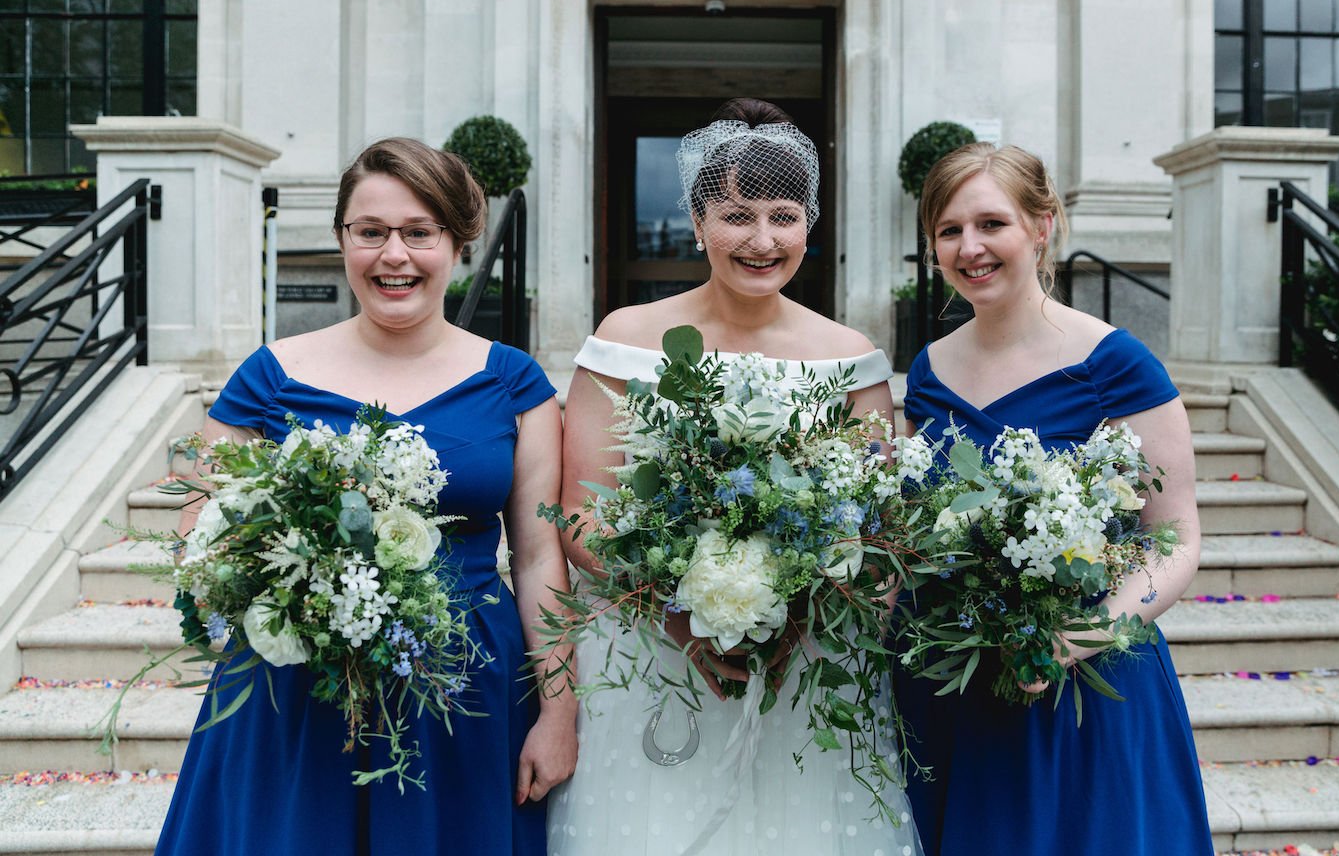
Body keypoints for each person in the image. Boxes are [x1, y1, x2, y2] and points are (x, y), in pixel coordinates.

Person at [155, 137, 577, 856]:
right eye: (371, 232)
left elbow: (538, 557)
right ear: (343, 239)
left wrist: (559, 711)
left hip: (464, 686)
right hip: (298, 687)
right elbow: (201, 526)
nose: (394, 255)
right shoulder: (269, 377)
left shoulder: (514, 383)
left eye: (419, 233)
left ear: (457, 242)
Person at [545, 100, 922, 856]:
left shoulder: (849, 357)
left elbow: (881, 531)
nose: (761, 240)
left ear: (809, 225)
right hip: (651, 653)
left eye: (783, 216)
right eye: (736, 215)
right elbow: (579, 514)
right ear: (697, 220)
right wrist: (682, 622)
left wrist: (805, 615)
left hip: (809, 665)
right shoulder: (625, 340)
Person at [894, 143, 1213, 854]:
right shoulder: (928, 371)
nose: (969, 248)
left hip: (1077, 692)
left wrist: (1069, 642)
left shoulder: (1117, 364)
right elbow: (916, 527)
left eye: (991, 224)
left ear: (1042, 226)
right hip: (951, 684)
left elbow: (1177, 541)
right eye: (949, 231)